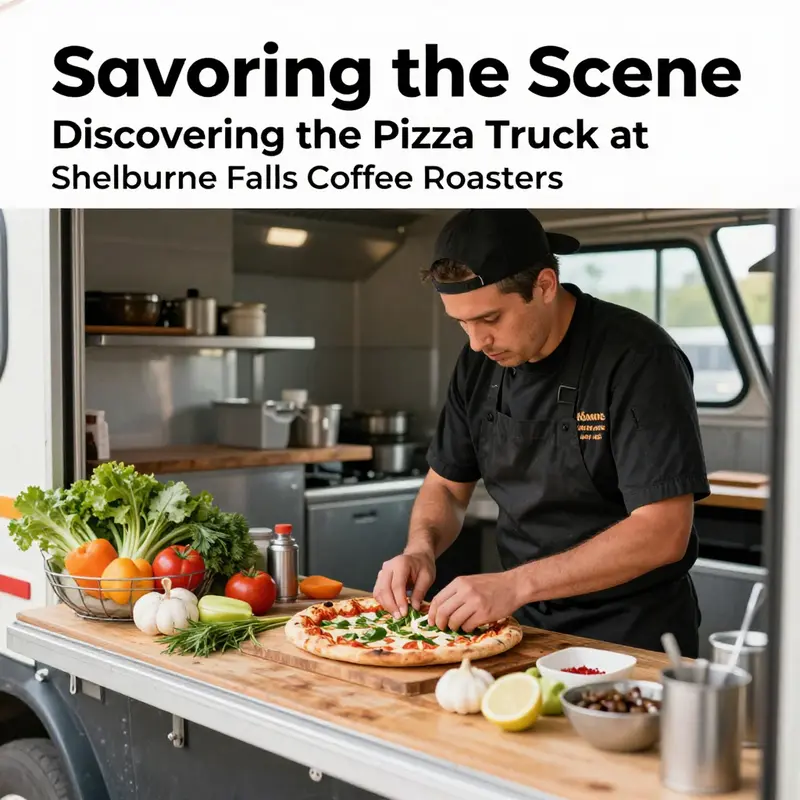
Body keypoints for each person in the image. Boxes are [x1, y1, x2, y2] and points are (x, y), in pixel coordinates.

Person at [372, 208, 710, 657]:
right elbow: (447, 487)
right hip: (526, 627)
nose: (476, 342)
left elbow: (664, 531)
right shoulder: (479, 361)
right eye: (462, 323)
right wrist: (420, 549)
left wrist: (515, 584)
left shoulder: (639, 357)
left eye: (490, 319)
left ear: (544, 286)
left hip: (633, 634)